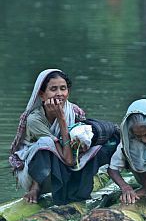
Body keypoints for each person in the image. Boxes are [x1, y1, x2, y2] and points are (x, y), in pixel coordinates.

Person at [9, 69, 119, 205]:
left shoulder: (74, 111)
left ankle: (78, 194)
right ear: (42, 95)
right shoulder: (34, 119)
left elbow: (74, 154)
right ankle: (35, 188)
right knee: (46, 142)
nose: (59, 94)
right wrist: (61, 120)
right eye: (53, 89)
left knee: (97, 148)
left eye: (63, 88)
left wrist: (82, 143)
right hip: (39, 173)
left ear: (68, 92)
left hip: (70, 164)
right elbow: (67, 159)